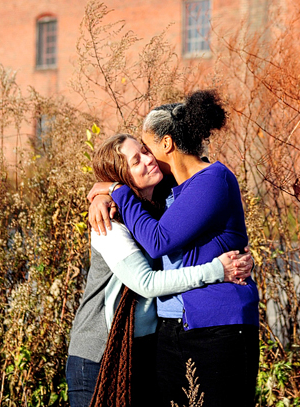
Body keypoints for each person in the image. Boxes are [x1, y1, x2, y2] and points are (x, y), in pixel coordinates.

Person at [88, 90, 259, 407]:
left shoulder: (213, 180)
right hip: (174, 328)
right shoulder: (173, 190)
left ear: (166, 144)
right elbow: (133, 186)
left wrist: (115, 190)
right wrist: (102, 193)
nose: (148, 158)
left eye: (146, 148)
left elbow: (158, 241)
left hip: (218, 325)